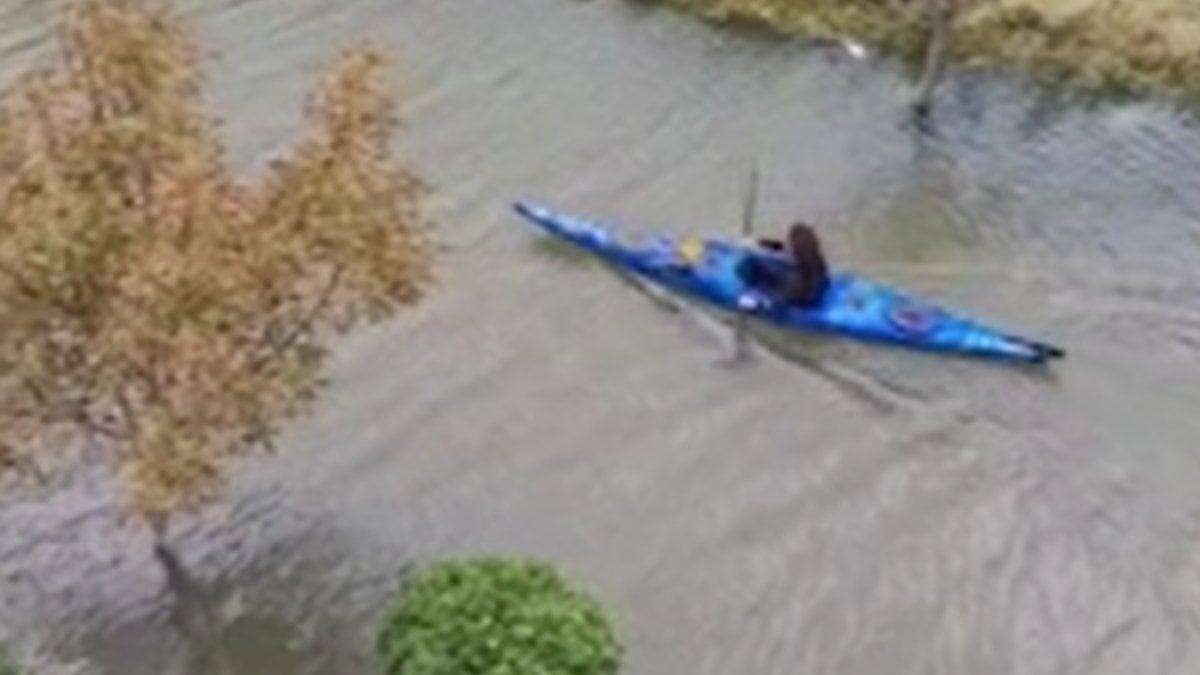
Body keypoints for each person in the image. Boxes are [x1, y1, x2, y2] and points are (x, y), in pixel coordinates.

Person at [736, 220, 830, 310]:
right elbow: (782, 247)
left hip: (797, 295)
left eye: (788, 243)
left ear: (794, 252)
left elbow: (776, 300)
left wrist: (758, 299)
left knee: (750, 268)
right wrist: (761, 242)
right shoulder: (815, 259)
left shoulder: (796, 284)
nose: (785, 244)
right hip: (804, 286)